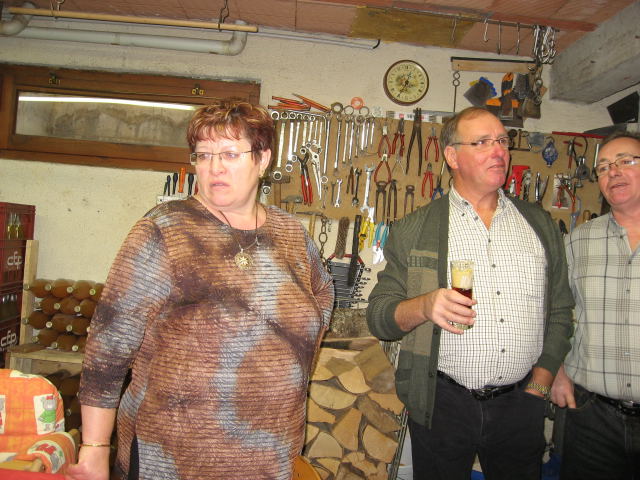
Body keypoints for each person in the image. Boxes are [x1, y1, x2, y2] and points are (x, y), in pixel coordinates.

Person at [65, 99, 335, 480]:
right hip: (173, 459)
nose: (214, 167)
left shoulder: (291, 234)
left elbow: (323, 292)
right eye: (204, 155)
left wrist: (288, 355)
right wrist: (95, 448)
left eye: (230, 154)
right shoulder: (165, 230)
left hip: (270, 456)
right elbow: (107, 349)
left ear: (263, 159)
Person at [366, 107, 574, 480]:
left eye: (502, 141)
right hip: (443, 403)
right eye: (482, 142)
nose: (499, 151)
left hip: (521, 402)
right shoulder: (414, 228)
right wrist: (424, 305)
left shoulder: (539, 224)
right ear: (452, 156)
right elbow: (379, 316)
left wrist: (542, 379)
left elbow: (560, 309)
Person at [551, 131, 640, 479]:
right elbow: (553, 312)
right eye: (603, 167)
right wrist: (556, 371)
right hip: (591, 417)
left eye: (625, 161)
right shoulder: (578, 241)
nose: (613, 172)